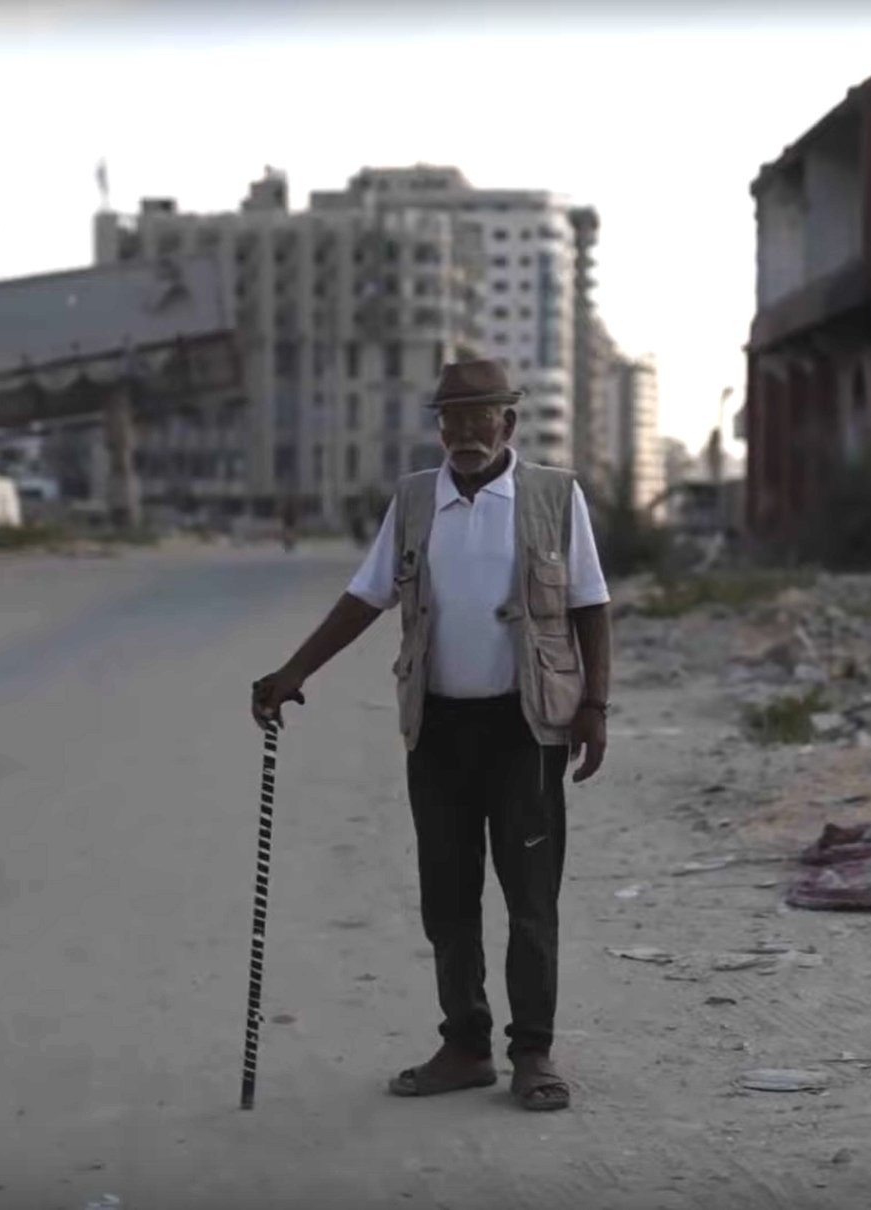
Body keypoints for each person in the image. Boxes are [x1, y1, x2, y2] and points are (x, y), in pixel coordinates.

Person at [251, 358, 612, 1113]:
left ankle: (533, 1052)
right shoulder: (417, 499)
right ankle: (465, 1046)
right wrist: (292, 671)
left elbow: (588, 604)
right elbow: (366, 596)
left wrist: (595, 708)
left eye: (480, 418)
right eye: (450, 420)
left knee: (529, 898)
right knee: (447, 895)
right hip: (439, 725)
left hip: (527, 725)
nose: (464, 434)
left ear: (508, 423)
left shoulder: (553, 495)